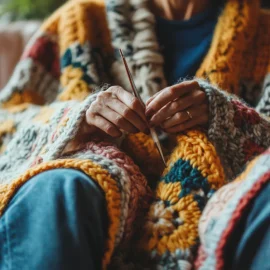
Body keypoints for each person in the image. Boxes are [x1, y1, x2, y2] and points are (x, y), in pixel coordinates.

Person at [0, 0, 269, 269]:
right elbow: (8, 123)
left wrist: (228, 116)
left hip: (222, 204)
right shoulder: (80, 21)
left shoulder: (264, 35)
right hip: (97, 198)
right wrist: (77, 118)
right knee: (59, 186)